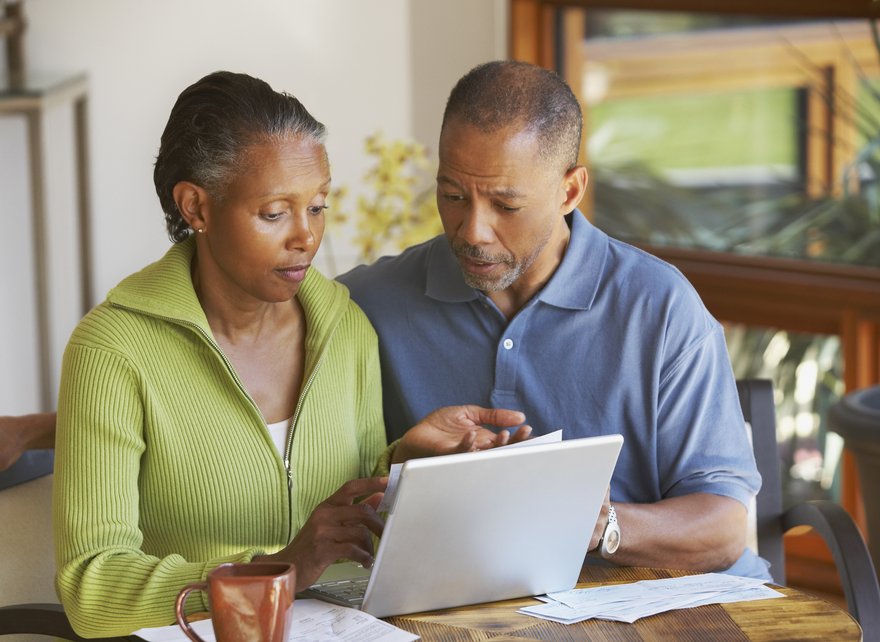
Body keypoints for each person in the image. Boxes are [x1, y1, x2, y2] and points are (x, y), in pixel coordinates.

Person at [52, 70, 528, 638]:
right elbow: (93, 587)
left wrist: (406, 464)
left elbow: (344, 520)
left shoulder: (345, 326)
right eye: (275, 213)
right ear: (196, 208)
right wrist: (276, 573)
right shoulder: (113, 351)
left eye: (319, 206)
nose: (306, 236)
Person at [338, 60, 770, 580]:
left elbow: (723, 530)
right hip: (478, 612)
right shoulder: (367, 304)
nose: (472, 231)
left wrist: (603, 526)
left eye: (505, 205)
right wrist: (401, 463)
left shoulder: (660, 307)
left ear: (569, 191)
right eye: (453, 196)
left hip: (666, 606)